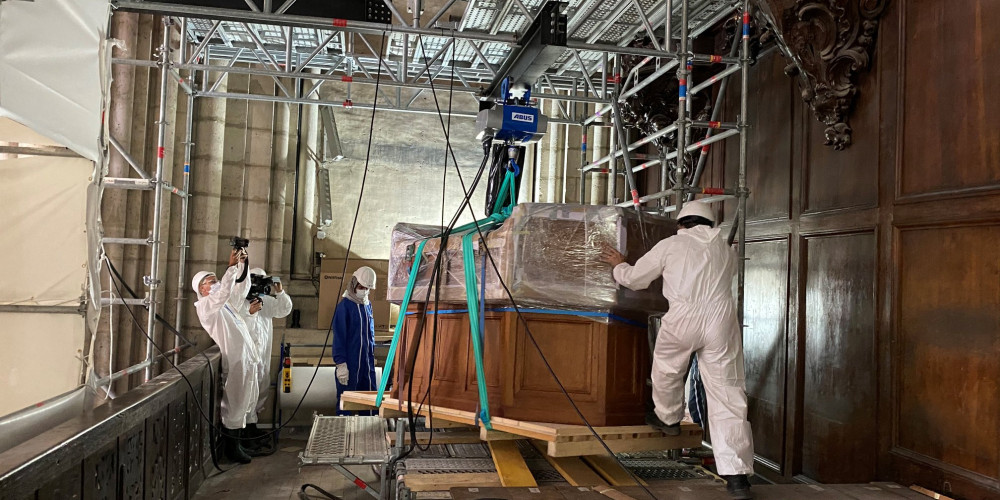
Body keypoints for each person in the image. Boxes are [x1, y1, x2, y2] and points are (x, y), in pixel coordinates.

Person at [600, 201, 755, 499]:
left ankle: (668, 418)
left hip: (684, 317)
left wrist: (619, 264)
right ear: (709, 224)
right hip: (721, 322)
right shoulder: (726, 249)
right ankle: (737, 478)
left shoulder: (671, 244)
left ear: (681, 224)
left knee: (667, 369)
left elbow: (635, 279)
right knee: (728, 394)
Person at [191, 249, 262, 464]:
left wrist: (243, 266)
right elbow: (222, 294)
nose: (215, 283)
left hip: (246, 357)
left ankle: (240, 441)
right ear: (201, 290)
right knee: (236, 403)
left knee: (247, 400)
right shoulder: (206, 306)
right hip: (235, 360)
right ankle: (232, 448)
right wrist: (231, 267)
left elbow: (240, 290)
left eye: (215, 279)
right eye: (210, 281)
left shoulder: (226, 305)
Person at [238, 268, 293, 449]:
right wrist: (250, 312)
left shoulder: (266, 301)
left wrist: (280, 291)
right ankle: (243, 430)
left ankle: (253, 425)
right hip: (245, 356)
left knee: (260, 386)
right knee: (246, 391)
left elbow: (284, 308)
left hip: (262, 355)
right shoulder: (239, 301)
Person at [332, 266, 377, 416]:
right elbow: (339, 337)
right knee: (346, 403)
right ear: (354, 284)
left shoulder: (367, 306)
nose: (364, 290)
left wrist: (371, 356)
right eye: (361, 287)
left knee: (370, 402)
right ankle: (343, 433)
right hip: (350, 365)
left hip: (366, 363)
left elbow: (369, 335)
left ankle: (370, 434)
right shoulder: (344, 307)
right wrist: (341, 364)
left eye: (367, 288)